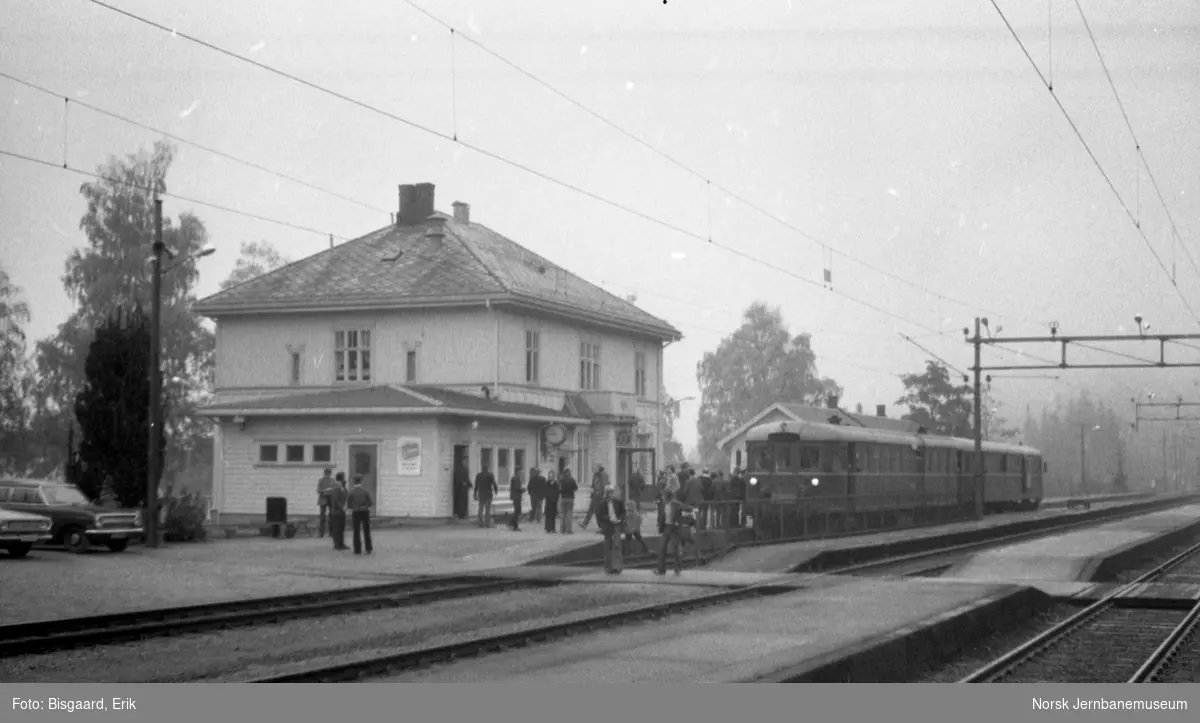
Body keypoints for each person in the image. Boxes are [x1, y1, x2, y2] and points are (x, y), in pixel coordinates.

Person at [656, 488, 698, 576]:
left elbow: (686, 507)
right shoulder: (663, 505)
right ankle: (661, 570)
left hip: (674, 528)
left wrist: (693, 509)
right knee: (662, 548)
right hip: (666, 528)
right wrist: (660, 527)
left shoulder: (676, 504)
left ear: (667, 496)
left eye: (664, 496)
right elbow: (662, 517)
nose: (662, 497)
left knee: (675, 549)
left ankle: (677, 569)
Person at [595, 485, 625, 575]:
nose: (609, 494)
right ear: (606, 493)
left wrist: (620, 519)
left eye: (611, 492)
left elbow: (623, 512)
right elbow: (599, 515)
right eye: (608, 492)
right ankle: (608, 567)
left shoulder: (618, 502)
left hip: (616, 526)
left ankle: (618, 567)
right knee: (608, 547)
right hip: (608, 526)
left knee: (617, 546)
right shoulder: (602, 503)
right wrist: (606, 520)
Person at [346, 474, 374, 555]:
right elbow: (370, 503)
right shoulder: (365, 492)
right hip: (365, 511)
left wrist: (353, 507)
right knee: (366, 530)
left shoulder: (351, 492)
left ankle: (357, 549)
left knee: (356, 530)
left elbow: (349, 505)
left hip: (356, 511)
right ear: (361, 481)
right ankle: (368, 548)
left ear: (354, 482)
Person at [581, 463, 609, 530]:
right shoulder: (595, 475)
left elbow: (604, 485)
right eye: (593, 469)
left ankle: (602, 526)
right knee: (593, 510)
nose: (593, 470)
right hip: (595, 495)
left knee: (598, 512)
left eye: (595, 468)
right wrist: (592, 491)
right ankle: (585, 524)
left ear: (599, 468)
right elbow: (593, 485)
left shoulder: (603, 474)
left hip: (600, 496)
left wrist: (604, 495)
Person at [327, 472, 349, 550]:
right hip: (336, 511)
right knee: (337, 528)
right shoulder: (336, 487)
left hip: (341, 511)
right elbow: (335, 500)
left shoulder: (342, 487)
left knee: (341, 528)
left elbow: (346, 494)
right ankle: (337, 544)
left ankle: (341, 543)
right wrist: (342, 507)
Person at [475, 462, 498, 528]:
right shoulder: (490, 475)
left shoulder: (479, 475)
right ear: (487, 468)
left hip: (481, 493)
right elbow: (494, 484)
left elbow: (476, 485)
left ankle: (480, 523)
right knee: (487, 510)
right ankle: (487, 524)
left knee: (480, 509)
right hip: (488, 494)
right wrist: (496, 490)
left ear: (482, 468)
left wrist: (475, 493)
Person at [316, 468, 337, 538]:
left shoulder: (332, 480)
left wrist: (331, 490)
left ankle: (331, 532)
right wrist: (325, 490)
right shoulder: (321, 480)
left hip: (330, 498)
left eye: (328, 474)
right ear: (325, 473)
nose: (327, 475)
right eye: (326, 473)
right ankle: (321, 533)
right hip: (323, 498)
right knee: (322, 516)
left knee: (331, 515)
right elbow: (318, 490)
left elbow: (335, 489)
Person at [558, 468, 579, 534]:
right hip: (570, 499)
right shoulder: (571, 480)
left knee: (563, 514)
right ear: (569, 473)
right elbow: (576, 488)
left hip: (563, 498)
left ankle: (562, 530)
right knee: (569, 515)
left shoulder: (561, 480)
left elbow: (559, 490)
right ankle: (568, 529)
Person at [509, 466, 524, 531]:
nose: (521, 473)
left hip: (516, 496)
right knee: (518, 511)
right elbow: (516, 488)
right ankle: (514, 525)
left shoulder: (516, 478)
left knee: (517, 511)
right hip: (516, 496)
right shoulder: (515, 478)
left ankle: (512, 523)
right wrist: (522, 490)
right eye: (520, 472)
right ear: (517, 472)